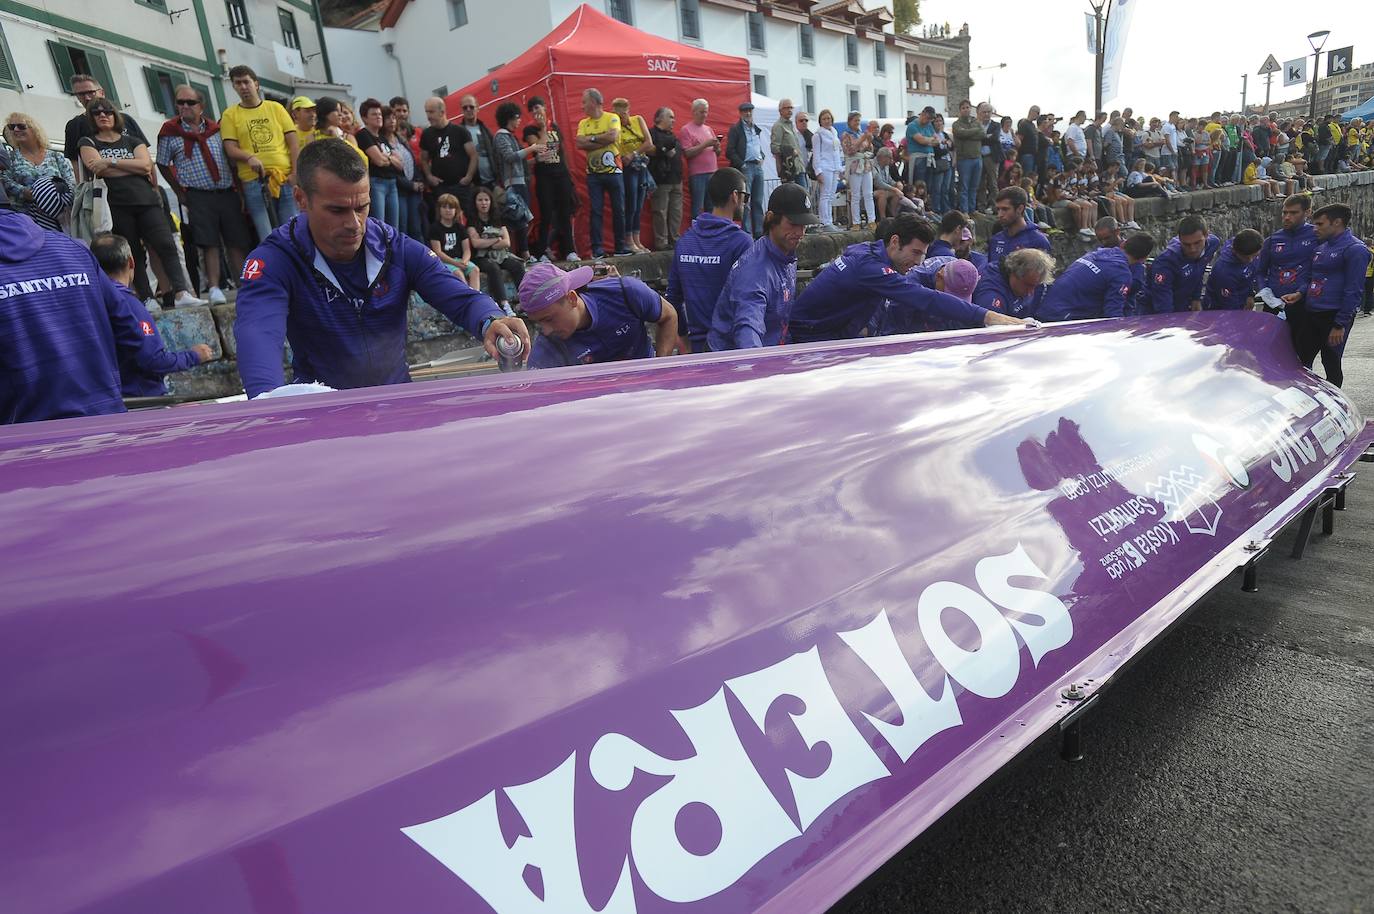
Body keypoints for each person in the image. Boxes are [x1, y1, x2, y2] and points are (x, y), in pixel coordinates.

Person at [233, 138, 526, 399]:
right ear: (301, 199)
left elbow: (458, 296)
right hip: (325, 417)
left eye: (362, 207)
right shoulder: (275, 260)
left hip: (398, 405)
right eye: (337, 210)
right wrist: (264, 405)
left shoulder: (394, 247)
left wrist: (490, 320)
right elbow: (258, 335)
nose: (354, 224)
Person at [0, 208, 153, 423]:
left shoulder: (75, 249)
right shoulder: (72, 249)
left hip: (26, 437)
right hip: (105, 420)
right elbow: (131, 332)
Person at [784, 214, 1032, 343]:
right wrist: (990, 316)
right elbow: (926, 298)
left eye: (922, 255)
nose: (916, 262)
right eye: (914, 252)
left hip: (822, 333)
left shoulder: (867, 251)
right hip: (810, 340)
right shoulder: (871, 268)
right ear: (894, 242)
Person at [78, 100, 203, 308]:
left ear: (115, 115)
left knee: (166, 244)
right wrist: (129, 167)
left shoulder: (132, 140)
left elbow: (146, 165)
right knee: (132, 252)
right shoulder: (87, 142)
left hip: (146, 200)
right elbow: (96, 169)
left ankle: (181, 292)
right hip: (116, 204)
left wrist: (110, 162)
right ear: (91, 118)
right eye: (97, 112)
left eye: (107, 111)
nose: (103, 115)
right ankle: (146, 297)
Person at [155, 85, 252, 306]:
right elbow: (161, 163)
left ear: (201, 106)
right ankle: (215, 287)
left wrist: (240, 189)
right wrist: (179, 191)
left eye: (190, 102)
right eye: (180, 102)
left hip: (226, 191)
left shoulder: (217, 129)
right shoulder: (170, 132)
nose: (184, 107)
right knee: (208, 242)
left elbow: (229, 159)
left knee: (237, 240)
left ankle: (246, 285)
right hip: (198, 194)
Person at [89, 232, 214, 395]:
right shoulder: (129, 305)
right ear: (131, 262)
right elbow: (153, 360)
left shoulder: (88, 303)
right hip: (141, 400)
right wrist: (194, 355)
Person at [708, 183, 816, 350]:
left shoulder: (785, 256)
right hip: (736, 362)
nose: (801, 232)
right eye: (793, 223)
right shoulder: (755, 271)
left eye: (804, 225)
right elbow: (748, 330)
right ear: (771, 218)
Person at [520, 261, 678, 369]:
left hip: (647, 395)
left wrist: (660, 368)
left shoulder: (626, 292)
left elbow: (669, 315)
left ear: (572, 299)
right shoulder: (546, 350)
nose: (546, 330)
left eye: (549, 319)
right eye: (539, 323)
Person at [666, 167, 753, 353]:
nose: (746, 203)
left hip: (697, 348)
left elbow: (672, 298)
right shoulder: (741, 242)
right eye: (745, 197)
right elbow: (748, 302)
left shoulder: (685, 240)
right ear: (735, 196)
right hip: (732, 347)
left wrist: (683, 338)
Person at [1289, 203, 1371, 388]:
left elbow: (1354, 290)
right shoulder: (1321, 247)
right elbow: (1312, 277)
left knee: (1330, 362)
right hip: (1312, 313)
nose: (1315, 228)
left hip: (1333, 316)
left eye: (1320, 224)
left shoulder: (1355, 250)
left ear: (1337, 223)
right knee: (1300, 360)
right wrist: (1300, 294)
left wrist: (1339, 324)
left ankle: (1336, 405)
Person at [220, 65, 299, 244]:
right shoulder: (230, 114)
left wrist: (295, 173)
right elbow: (230, 148)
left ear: (256, 84)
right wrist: (249, 157)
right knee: (267, 234)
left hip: (284, 178)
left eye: (246, 82)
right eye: (238, 83)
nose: (243, 87)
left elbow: (293, 143)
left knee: (292, 231)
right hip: (253, 181)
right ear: (233, 87)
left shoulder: (276, 108)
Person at [1039, 233, 1155, 322]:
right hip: (1063, 318)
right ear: (1143, 259)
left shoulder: (1097, 253)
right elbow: (1112, 313)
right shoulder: (1121, 274)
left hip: (1044, 308)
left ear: (1123, 244)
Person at [523, 96, 578, 262]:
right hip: (544, 176)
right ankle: (540, 252)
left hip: (561, 174)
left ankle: (569, 250)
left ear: (544, 107)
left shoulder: (554, 126)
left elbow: (562, 151)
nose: (535, 112)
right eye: (532, 110)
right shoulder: (530, 130)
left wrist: (568, 175)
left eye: (538, 107)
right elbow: (539, 149)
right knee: (546, 213)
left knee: (565, 212)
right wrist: (542, 130)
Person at [576, 88, 628, 258]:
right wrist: (600, 139)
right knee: (595, 211)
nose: (582, 106)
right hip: (593, 174)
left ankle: (620, 247)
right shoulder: (583, 123)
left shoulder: (612, 117)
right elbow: (579, 143)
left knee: (618, 209)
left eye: (584, 102)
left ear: (594, 102)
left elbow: (612, 137)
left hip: (614, 171)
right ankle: (597, 249)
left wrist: (590, 140)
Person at [3, 112, 75, 231]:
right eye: (12, 127)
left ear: (34, 129)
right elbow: (5, 181)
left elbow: (70, 182)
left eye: (21, 126)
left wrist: (54, 197)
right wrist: (24, 192)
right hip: (27, 219)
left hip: (59, 217)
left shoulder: (56, 156)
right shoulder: (10, 158)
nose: (15, 130)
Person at [62, 73, 148, 167]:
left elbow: (145, 155)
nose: (87, 97)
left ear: (102, 93)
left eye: (91, 92)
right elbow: (75, 161)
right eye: (81, 94)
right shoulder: (75, 125)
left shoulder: (126, 119)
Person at [1144, 214, 1221, 314]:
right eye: (1186, 244)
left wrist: (1196, 298)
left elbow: (1200, 267)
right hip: (1156, 311)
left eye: (1197, 243)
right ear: (1179, 239)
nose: (1192, 249)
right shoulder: (1166, 262)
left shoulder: (1213, 244)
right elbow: (1162, 304)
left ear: (1206, 235)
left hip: (1185, 304)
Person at [467, 186, 525, 316]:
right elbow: (476, 243)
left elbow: (507, 242)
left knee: (517, 265)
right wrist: (495, 240)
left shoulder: (497, 218)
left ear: (491, 201)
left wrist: (486, 243)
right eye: (480, 200)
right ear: (475, 202)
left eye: (486, 200)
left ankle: (525, 301)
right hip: (481, 257)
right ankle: (504, 304)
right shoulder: (472, 221)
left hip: (500, 254)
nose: (483, 203)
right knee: (493, 268)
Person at [419, 96, 478, 224]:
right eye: (426, 112)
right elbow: (423, 159)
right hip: (441, 187)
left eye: (431, 112)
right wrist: (429, 176)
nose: (428, 116)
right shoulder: (427, 134)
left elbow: (473, 155)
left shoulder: (460, 131)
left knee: (468, 220)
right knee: (444, 223)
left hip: (461, 186)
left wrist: (468, 177)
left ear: (442, 112)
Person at [492, 101, 534, 258]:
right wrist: (531, 149)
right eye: (517, 117)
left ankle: (523, 252)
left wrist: (536, 159)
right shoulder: (501, 136)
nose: (519, 121)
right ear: (509, 118)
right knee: (516, 219)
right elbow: (509, 157)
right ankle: (521, 253)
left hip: (520, 181)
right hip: (511, 184)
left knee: (523, 219)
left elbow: (519, 161)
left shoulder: (510, 136)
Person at [611, 97, 653, 253]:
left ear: (628, 110)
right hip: (627, 168)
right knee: (631, 203)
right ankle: (629, 239)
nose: (621, 118)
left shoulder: (638, 120)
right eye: (617, 115)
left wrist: (634, 153)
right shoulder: (615, 127)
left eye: (622, 114)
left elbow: (649, 142)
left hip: (640, 164)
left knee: (639, 204)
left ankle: (637, 238)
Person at [355, 98, 403, 231]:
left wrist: (388, 158)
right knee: (379, 225)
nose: (379, 117)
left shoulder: (382, 138)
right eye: (374, 114)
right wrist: (390, 158)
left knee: (394, 227)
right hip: (377, 184)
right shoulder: (363, 135)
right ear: (365, 118)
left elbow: (400, 164)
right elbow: (379, 161)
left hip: (392, 183)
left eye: (380, 114)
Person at [973, 248, 1053, 319]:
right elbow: (991, 329)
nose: (1030, 292)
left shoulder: (1029, 282)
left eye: (1035, 286)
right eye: (1028, 285)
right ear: (1014, 274)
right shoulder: (990, 291)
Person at [647, 106, 685, 252]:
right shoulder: (652, 134)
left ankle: (675, 239)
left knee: (676, 212)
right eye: (670, 117)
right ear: (659, 118)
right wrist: (663, 151)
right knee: (660, 212)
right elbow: (650, 150)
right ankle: (661, 242)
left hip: (676, 179)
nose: (673, 120)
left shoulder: (673, 136)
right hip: (661, 179)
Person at [986, 187, 1051, 271]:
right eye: (998, 209)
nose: (1000, 215)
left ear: (1020, 209)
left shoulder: (1038, 241)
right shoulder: (995, 240)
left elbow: (1044, 280)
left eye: (1005, 209)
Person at [726, 101, 767, 237]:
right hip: (746, 166)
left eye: (750, 111)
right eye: (745, 111)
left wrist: (762, 156)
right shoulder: (736, 129)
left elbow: (756, 146)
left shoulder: (755, 128)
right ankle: (747, 232)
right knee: (746, 202)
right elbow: (729, 151)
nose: (748, 113)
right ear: (740, 113)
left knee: (758, 201)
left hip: (757, 165)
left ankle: (759, 231)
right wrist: (741, 164)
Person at [428, 192, 480, 290]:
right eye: (444, 207)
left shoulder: (460, 227)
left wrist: (464, 262)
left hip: (459, 260)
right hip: (444, 262)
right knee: (458, 273)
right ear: (439, 210)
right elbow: (438, 252)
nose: (448, 210)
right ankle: (466, 298)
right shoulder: (435, 228)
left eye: (451, 207)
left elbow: (467, 250)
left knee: (475, 270)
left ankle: (476, 297)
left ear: (456, 210)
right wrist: (456, 264)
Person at [1202, 230, 1263, 311]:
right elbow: (1229, 306)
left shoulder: (1249, 246)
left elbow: (1250, 275)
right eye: (1246, 257)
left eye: (1255, 256)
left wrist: (1250, 295)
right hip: (1220, 309)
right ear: (1234, 251)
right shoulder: (1223, 271)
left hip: (1243, 298)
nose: (1250, 260)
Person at [680, 98, 720, 215]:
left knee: (711, 205)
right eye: (702, 112)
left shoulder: (708, 129)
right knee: (698, 206)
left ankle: (710, 231)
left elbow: (717, 153)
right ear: (694, 112)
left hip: (712, 172)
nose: (705, 115)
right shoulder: (686, 130)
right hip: (698, 174)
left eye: (706, 112)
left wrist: (717, 148)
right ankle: (697, 231)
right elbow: (687, 153)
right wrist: (705, 144)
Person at [839, 111, 877, 228]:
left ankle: (872, 220)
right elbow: (849, 150)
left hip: (865, 164)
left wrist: (869, 140)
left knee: (868, 193)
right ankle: (856, 222)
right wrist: (863, 139)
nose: (857, 123)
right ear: (850, 121)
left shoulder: (861, 133)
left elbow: (869, 150)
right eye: (855, 120)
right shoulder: (846, 134)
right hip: (854, 165)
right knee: (856, 195)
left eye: (858, 121)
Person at [951, 99, 985, 216]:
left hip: (977, 158)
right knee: (964, 186)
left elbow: (982, 134)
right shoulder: (956, 124)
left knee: (974, 186)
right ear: (960, 110)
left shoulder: (976, 121)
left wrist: (969, 133)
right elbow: (960, 134)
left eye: (968, 107)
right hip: (964, 159)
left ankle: (972, 209)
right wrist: (974, 132)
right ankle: (964, 211)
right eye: (963, 108)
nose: (966, 109)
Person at [457, 95, 498, 188]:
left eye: (471, 107)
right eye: (465, 107)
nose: (468, 109)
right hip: (472, 184)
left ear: (477, 108)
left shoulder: (485, 129)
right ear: (461, 111)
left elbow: (494, 153)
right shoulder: (458, 132)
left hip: (492, 181)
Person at [813, 109, 844, 231]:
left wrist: (840, 168)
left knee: (831, 196)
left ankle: (829, 220)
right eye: (824, 119)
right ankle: (824, 222)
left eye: (829, 118)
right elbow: (816, 154)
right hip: (824, 167)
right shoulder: (818, 135)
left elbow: (837, 152)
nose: (827, 121)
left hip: (834, 167)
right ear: (820, 121)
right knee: (825, 195)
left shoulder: (834, 133)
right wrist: (818, 171)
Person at [771, 99, 807, 188]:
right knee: (795, 196)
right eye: (786, 108)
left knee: (804, 196)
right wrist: (789, 150)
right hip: (789, 169)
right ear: (780, 111)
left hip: (799, 167)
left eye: (791, 108)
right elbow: (774, 147)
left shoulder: (791, 125)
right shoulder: (778, 126)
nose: (789, 110)